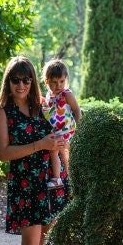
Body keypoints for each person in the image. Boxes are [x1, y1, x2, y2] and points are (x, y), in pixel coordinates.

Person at [0, 56, 69, 245]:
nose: (21, 85)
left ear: (33, 81)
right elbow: (3, 153)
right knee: (31, 243)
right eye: (16, 80)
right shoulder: (1, 113)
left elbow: (61, 128)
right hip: (25, 184)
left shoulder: (43, 106)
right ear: (8, 82)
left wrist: (61, 141)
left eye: (26, 79)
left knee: (49, 241)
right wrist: (40, 145)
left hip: (51, 181)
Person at [42, 59, 81, 189]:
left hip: (67, 129)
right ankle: (64, 179)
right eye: (54, 82)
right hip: (56, 130)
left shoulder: (67, 94)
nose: (58, 85)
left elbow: (76, 110)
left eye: (61, 81)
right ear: (47, 81)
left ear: (66, 79)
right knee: (58, 153)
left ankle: (65, 179)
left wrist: (79, 129)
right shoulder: (48, 96)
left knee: (60, 152)